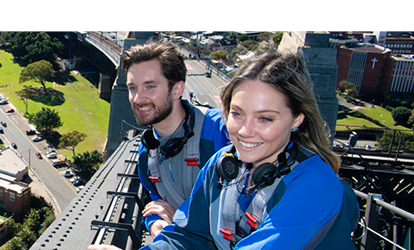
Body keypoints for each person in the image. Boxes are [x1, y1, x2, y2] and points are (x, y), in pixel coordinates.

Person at [140, 52, 359, 249]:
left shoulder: (316, 186)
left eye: (265, 118)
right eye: (237, 114)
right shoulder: (222, 165)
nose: (244, 131)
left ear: (296, 120)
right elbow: (188, 236)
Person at [121, 42, 231, 237]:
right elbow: (155, 201)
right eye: (132, 88)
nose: (137, 98)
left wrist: (181, 219)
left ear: (177, 90)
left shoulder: (220, 131)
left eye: (150, 86)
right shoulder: (147, 152)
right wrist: (155, 223)